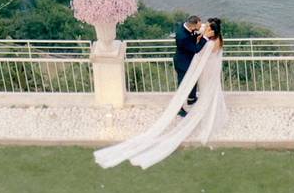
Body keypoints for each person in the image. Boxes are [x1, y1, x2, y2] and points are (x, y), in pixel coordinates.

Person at [94, 18, 228, 169]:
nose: (203, 27)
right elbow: (197, 42)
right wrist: (202, 35)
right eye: (202, 25)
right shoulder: (203, 37)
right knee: (203, 90)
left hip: (207, 70)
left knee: (206, 91)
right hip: (193, 66)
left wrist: (202, 37)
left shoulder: (211, 42)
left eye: (207, 27)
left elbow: (201, 51)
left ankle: (202, 109)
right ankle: (193, 107)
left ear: (212, 31)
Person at [173, 15, 206, 116]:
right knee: (183, 85)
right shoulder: (183, 37)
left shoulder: (185, 27)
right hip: (183, 63)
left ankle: (191, 99)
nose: (200, 27)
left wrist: (197, 34)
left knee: (192, 80)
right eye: (199, 25)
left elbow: (191, 36)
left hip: (186, 60)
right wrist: (205, 38)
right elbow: (195, 49)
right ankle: (180, 108)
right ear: (193, 25)